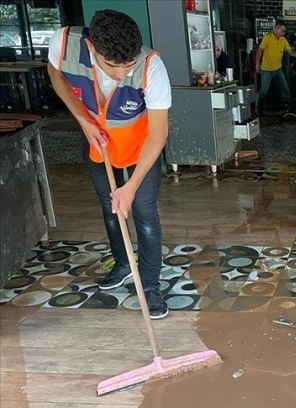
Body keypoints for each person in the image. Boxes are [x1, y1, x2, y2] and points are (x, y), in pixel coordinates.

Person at [47, 10, 172, 319]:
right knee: (111, 209)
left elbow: (158, 133)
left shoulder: (151, 66)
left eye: (127, 64)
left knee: (143, 213)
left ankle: (150, 284)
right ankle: (122, 264)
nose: (121, 73)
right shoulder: (64, 44)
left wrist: (131, 186)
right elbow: (55, 76)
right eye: (113, 66)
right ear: (93, 50)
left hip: (140, 148)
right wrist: (82, 120)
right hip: (99, 145)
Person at [255, 20, 296, 115]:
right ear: (277, 29)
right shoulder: (268, 38)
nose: (284, 33)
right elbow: (260, 50)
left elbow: (290, 51)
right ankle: (259, 110)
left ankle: (290, 109)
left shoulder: (283, 40)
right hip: (267, 69)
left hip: (278, 69)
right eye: (283, 31)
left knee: (285, 89)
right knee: (263, 90)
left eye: (285, 31)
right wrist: (257, 63)